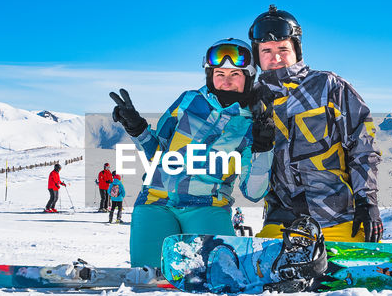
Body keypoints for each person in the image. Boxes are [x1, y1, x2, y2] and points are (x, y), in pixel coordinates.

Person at [108, 38, 272, 266]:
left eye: (235, 74)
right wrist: (137, 128)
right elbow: (158, 152)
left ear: (249, 76)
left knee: (217, 279)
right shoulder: (188, 101)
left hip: (207, 207)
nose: (226, 81)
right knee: (149, 282)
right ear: (209, 74)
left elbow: (254, 192)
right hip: (154, 203)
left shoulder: (253, 124)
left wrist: (263, 149)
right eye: (219, 73)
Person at [249, 5, 381, 242]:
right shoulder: (253, 100)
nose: (275, 57)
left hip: (338, 219)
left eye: (283, 48)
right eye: (266, 50)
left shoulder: (329, 87)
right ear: (257, 55)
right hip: (282, 223)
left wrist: (367, 201)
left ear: (297, 50)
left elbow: (363, 146)